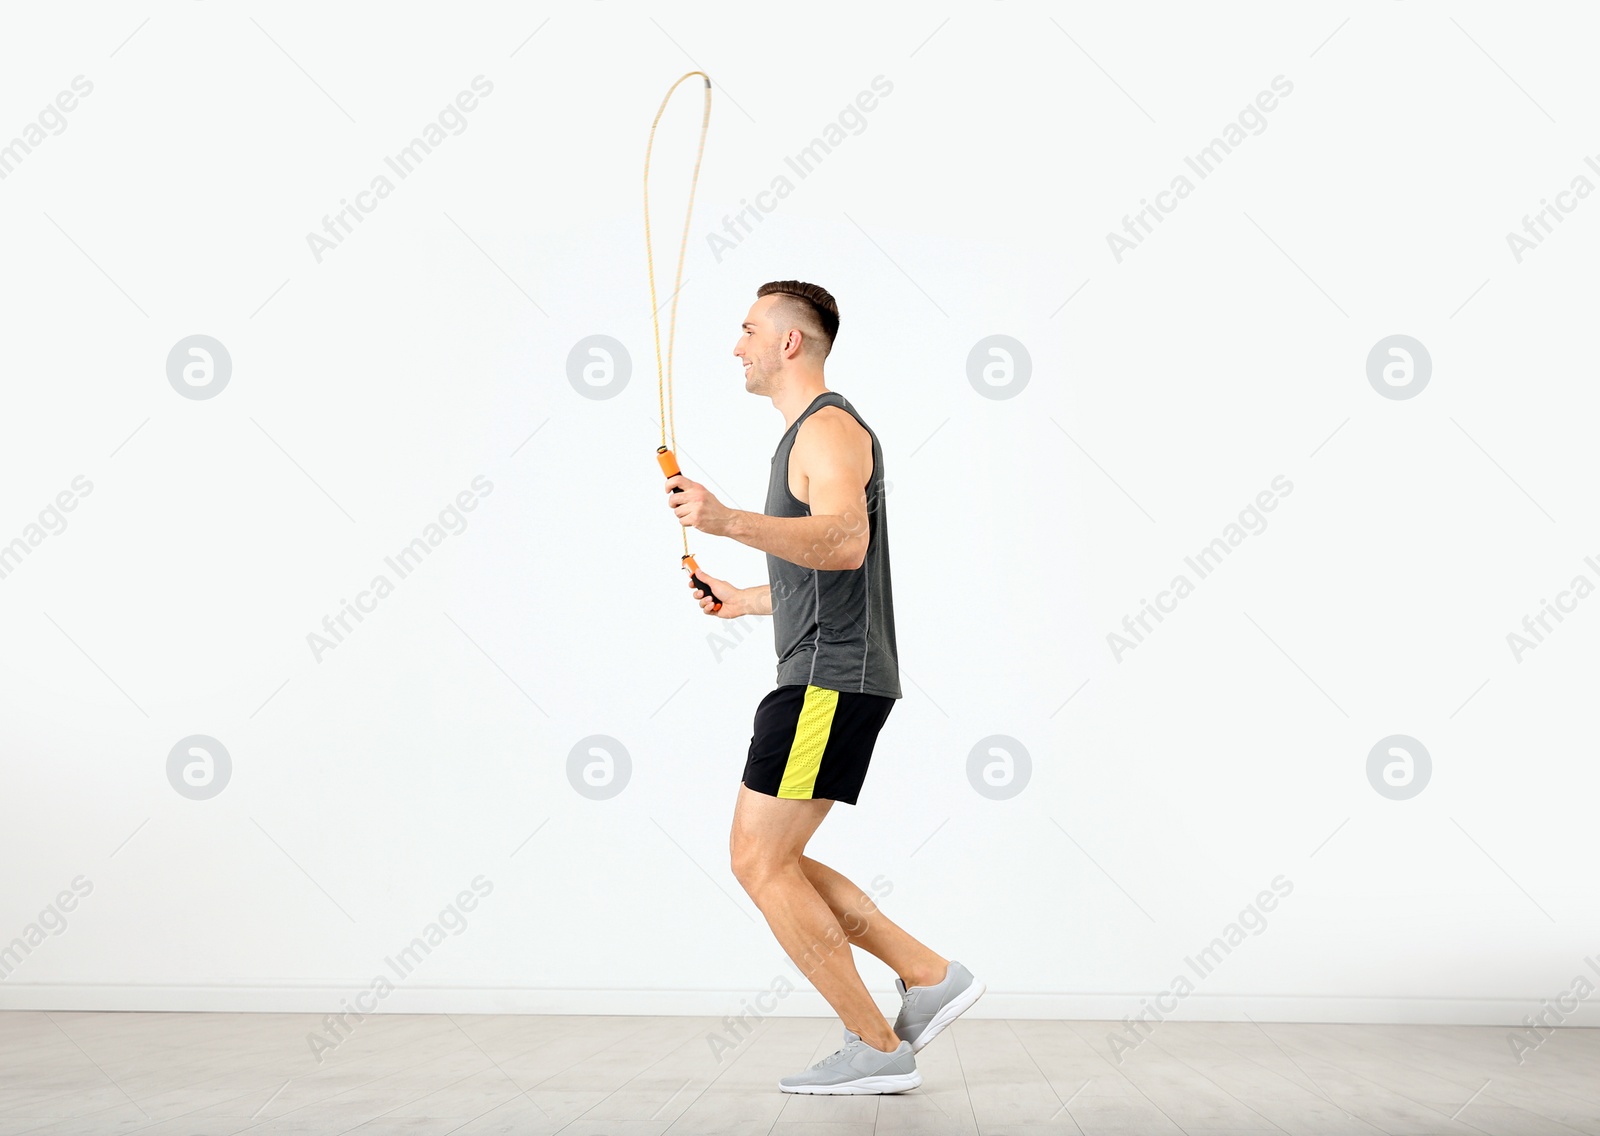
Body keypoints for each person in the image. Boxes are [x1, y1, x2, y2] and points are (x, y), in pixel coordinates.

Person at [663, 279, 984, 1095]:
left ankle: (876, 1045)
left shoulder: (830, 429)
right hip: (824, 676)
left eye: (747, 330)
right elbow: (823, 572)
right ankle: (928, 974)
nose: (737, 345)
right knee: (777, 860)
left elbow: (844, 541)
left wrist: (728, 519)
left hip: (827, 682)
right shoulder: (805, 438)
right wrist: (744, 595)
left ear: (790, 342)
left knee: (758, 861)